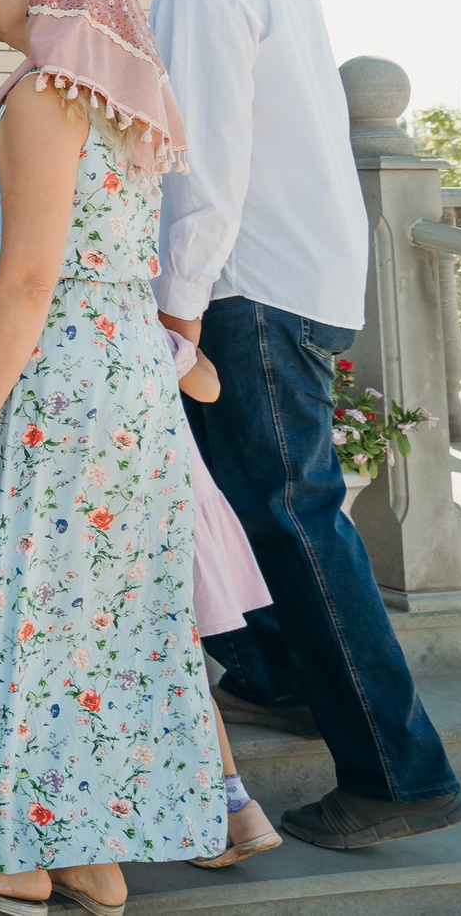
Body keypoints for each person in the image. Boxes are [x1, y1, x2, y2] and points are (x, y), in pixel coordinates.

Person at [87, 0, 461, 851]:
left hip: (245, 288)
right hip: (293, 279)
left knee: (295, 520)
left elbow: (203, 164)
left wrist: (174, 312)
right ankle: (276, 675)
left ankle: (400, 776)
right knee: (226, 500)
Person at [0, 0, 221, 915]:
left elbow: (30, 274)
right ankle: (87, 852)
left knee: (6, 601)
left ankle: (10, 858)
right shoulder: (121, 99)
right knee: (95, 619)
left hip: (50, 388)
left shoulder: (46, 96)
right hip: (121, 385)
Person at [168, 328, 282, 871]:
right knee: (179, 663)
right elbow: (208, 386)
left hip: (126, 511)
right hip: (175, 500)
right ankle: (238, 809)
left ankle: (221, 811)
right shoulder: (149, 331)